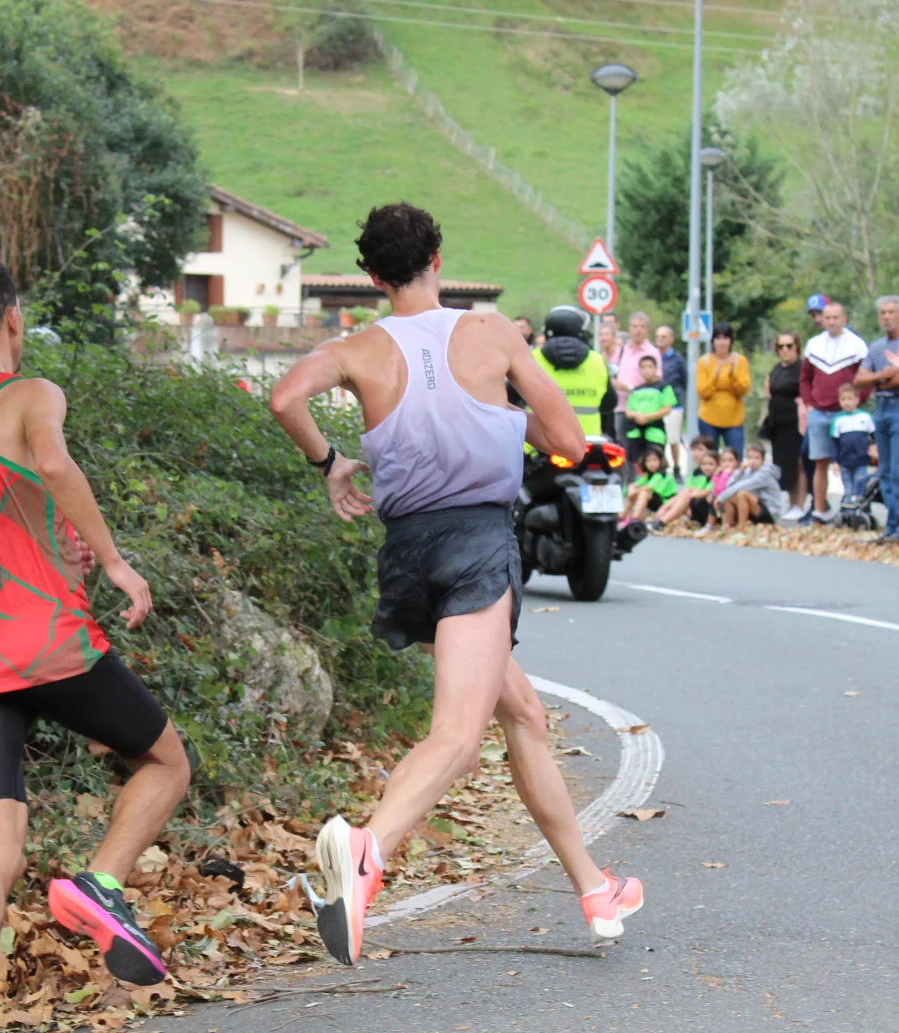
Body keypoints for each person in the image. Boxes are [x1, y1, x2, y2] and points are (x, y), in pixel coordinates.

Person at [265, 203, 644, 965]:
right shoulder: (491, 332)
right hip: (475, 545)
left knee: (524, 713)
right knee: (458, 737)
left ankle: (594, 889)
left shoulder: (356, 348)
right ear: (437, 258)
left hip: (409, 553)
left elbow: (283, 399)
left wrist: (329, 463)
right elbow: (570, 442)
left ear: (372, 276)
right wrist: (503, 413)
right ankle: (367, 853)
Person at [0, 255, 191, 1033]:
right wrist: (111, 561)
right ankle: (100, 884)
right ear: (13, 319)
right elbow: (59, 469)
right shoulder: (32, 394)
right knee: (167, 762)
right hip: (47, 646)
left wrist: (29, 537)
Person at [798, 299, 869, 524]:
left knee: (852, 462)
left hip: (847, 414)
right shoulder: (814, 345)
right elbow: (805, 377)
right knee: (820, 462)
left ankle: (853, 508)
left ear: (844, 319)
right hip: (819, 412)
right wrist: (809, 403)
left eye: (836, 317)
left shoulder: (856, 345)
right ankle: (819, 511)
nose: (831, 322)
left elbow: (866, 378)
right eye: (827, 318)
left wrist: (859, 402)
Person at [855, 295, 899, 542]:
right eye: (882, 313)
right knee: (885, 470)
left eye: (891, 312)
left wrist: (878, 378)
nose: (887, 317)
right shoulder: (876, 347)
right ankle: (893, 525)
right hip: (881, 407)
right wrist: (882, 376)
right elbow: (859, 379)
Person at [533, 306, 614, 439]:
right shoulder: (597, 361)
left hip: (541, 443)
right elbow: (610, 403)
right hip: (587, 442)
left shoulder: (532, 359)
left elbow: (511, 397)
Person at [762, 330, 805, 519]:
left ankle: (799, 504)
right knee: (782, 465)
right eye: (781, 346)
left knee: (798, 464)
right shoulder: (776, 369)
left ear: (797, 347)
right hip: (777, 423)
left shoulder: (802, 368)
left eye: (789, 345)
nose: (785, 350)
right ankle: (790, 502)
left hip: (795, 423)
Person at [695, 325, 752, 455]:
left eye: (726, 338)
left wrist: (732, 375)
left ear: (731, 341)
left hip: (734, 420)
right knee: (709, 458)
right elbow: (702, 392)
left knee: (735, 458)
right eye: (718, 338)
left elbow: (743, 390)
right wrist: (715, 376)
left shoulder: (740, 361)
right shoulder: (704, 362)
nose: (722, 342)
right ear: (713, 341)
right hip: (708, 419)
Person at [614, 311, 661, 443]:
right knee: (621, 446)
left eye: (642, 326)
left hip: (645, 410)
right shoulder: (622, 350)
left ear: (647, 330)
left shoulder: (652, 352)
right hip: (622, 407)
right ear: (629, 329)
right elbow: (612, 374)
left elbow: (657, 380)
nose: (638, 330)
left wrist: (633, 389)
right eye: (634, 326)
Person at [714, 441, 785, 528]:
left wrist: (721, 497)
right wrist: (741, 471)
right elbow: (730, 486)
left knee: (742, 494)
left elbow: (743, 485)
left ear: (763, 459)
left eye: (757, 458)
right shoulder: (747, 470)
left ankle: (742, 526)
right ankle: (728, 526)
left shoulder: (765, 473)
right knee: (730, 496)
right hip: (755, 508)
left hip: (770, 513)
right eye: (750, 458)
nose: (753, 461)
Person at [622, 352, 675, 467]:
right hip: (636, 432)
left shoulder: (664, 387)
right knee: (636, 464)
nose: (646, 370)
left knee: (655, 462)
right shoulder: (636, 390)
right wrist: (637, 416)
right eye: (643, 367)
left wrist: (647, 417)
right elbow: (629, 411)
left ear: (656, 368)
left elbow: (667, 409)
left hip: (655, 432)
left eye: (650, 367)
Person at [828, 381, 876, 502]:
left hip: (861, 459)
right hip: (844, 461)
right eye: (843, 399)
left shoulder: (865, 417)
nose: (846, 402)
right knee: (848, 487)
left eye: (849, 399)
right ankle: (847, 509)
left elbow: (874, 436)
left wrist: (874, 450)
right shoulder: (838, 420)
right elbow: (834, 443)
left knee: (860, 484)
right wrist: (834, 461)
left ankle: (861, 508)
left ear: (857, 400)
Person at [652, 442, 718, 527]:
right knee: (685, 495)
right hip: (697, 507)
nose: (696, 453)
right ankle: (661, 520)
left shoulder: (716, 476)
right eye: (693, 450)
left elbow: (704, 492)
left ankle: (661, 522)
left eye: (700, 450)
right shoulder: (697, 473)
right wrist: (665, 506)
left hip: (710, 511)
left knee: (687, 494)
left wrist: (690, 496)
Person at [620, 443, 678, 525]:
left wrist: (634, 491)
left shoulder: (662, 474)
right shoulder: (648, 475)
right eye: (648, 461)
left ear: (661, 461)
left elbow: (649, 487)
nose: (651, 464)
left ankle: (635, 518)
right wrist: (631, 488)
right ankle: (622, 516)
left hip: (666, 503)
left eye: (654, 460)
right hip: (656, 502)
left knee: (644, 493)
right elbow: (636, 484)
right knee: (635, 492)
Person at [654, 323, 688, 412]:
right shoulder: (651, 355)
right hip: (654, 405)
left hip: (674, 406)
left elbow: (685, 381)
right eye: (658, 337)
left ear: (671, 339)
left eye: (663, 337)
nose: (660, 339)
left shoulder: (678, 359)